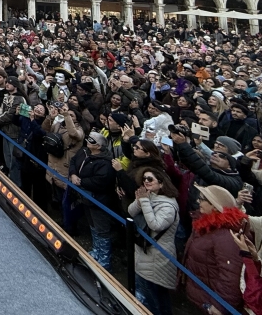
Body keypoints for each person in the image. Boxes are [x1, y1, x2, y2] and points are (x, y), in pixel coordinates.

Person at [184, 184, 251, 315]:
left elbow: (231, 276)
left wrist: (220, 306)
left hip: (211, 305)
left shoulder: (226, 236)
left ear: (215, 206)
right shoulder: (205, 226)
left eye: (202, 199)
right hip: (201, 297)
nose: (198, 201)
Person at [128, 169, 180, 315]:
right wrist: (139, 201)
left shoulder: (168, 206)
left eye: (150, 179)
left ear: (161, 183)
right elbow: (131, 212)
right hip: (144, 252)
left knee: (155, 296)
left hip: (158, 256)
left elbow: (156, 225)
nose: (146, 181)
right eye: (144, 178)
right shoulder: (148, 195)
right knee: (150, 293)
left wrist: (144, 201)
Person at [70, 131, 118, 268]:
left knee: (102, 229)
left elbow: (102, 181)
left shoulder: (105, 163)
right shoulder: (84, 152)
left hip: (98, 199)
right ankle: (96, 250)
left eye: (92, 140)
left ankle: (104, 259)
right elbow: (73, 161)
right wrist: (73, 174)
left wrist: (81, 182)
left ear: (98, 146)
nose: (88, 141)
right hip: (85, 197)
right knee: (92, 225)